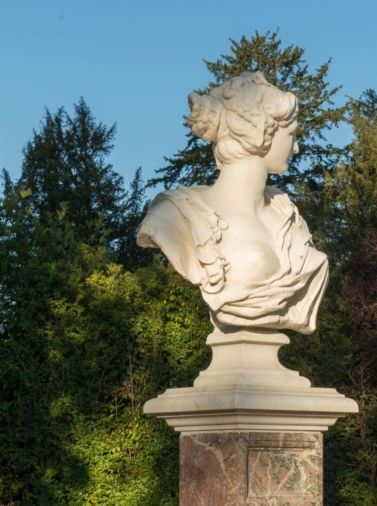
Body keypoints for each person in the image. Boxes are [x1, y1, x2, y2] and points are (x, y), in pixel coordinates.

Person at [137, 71, 328, 333]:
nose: (295, 147)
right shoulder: (175, 215)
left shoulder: (287, 215)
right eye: (291, 133)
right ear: (261, 132)